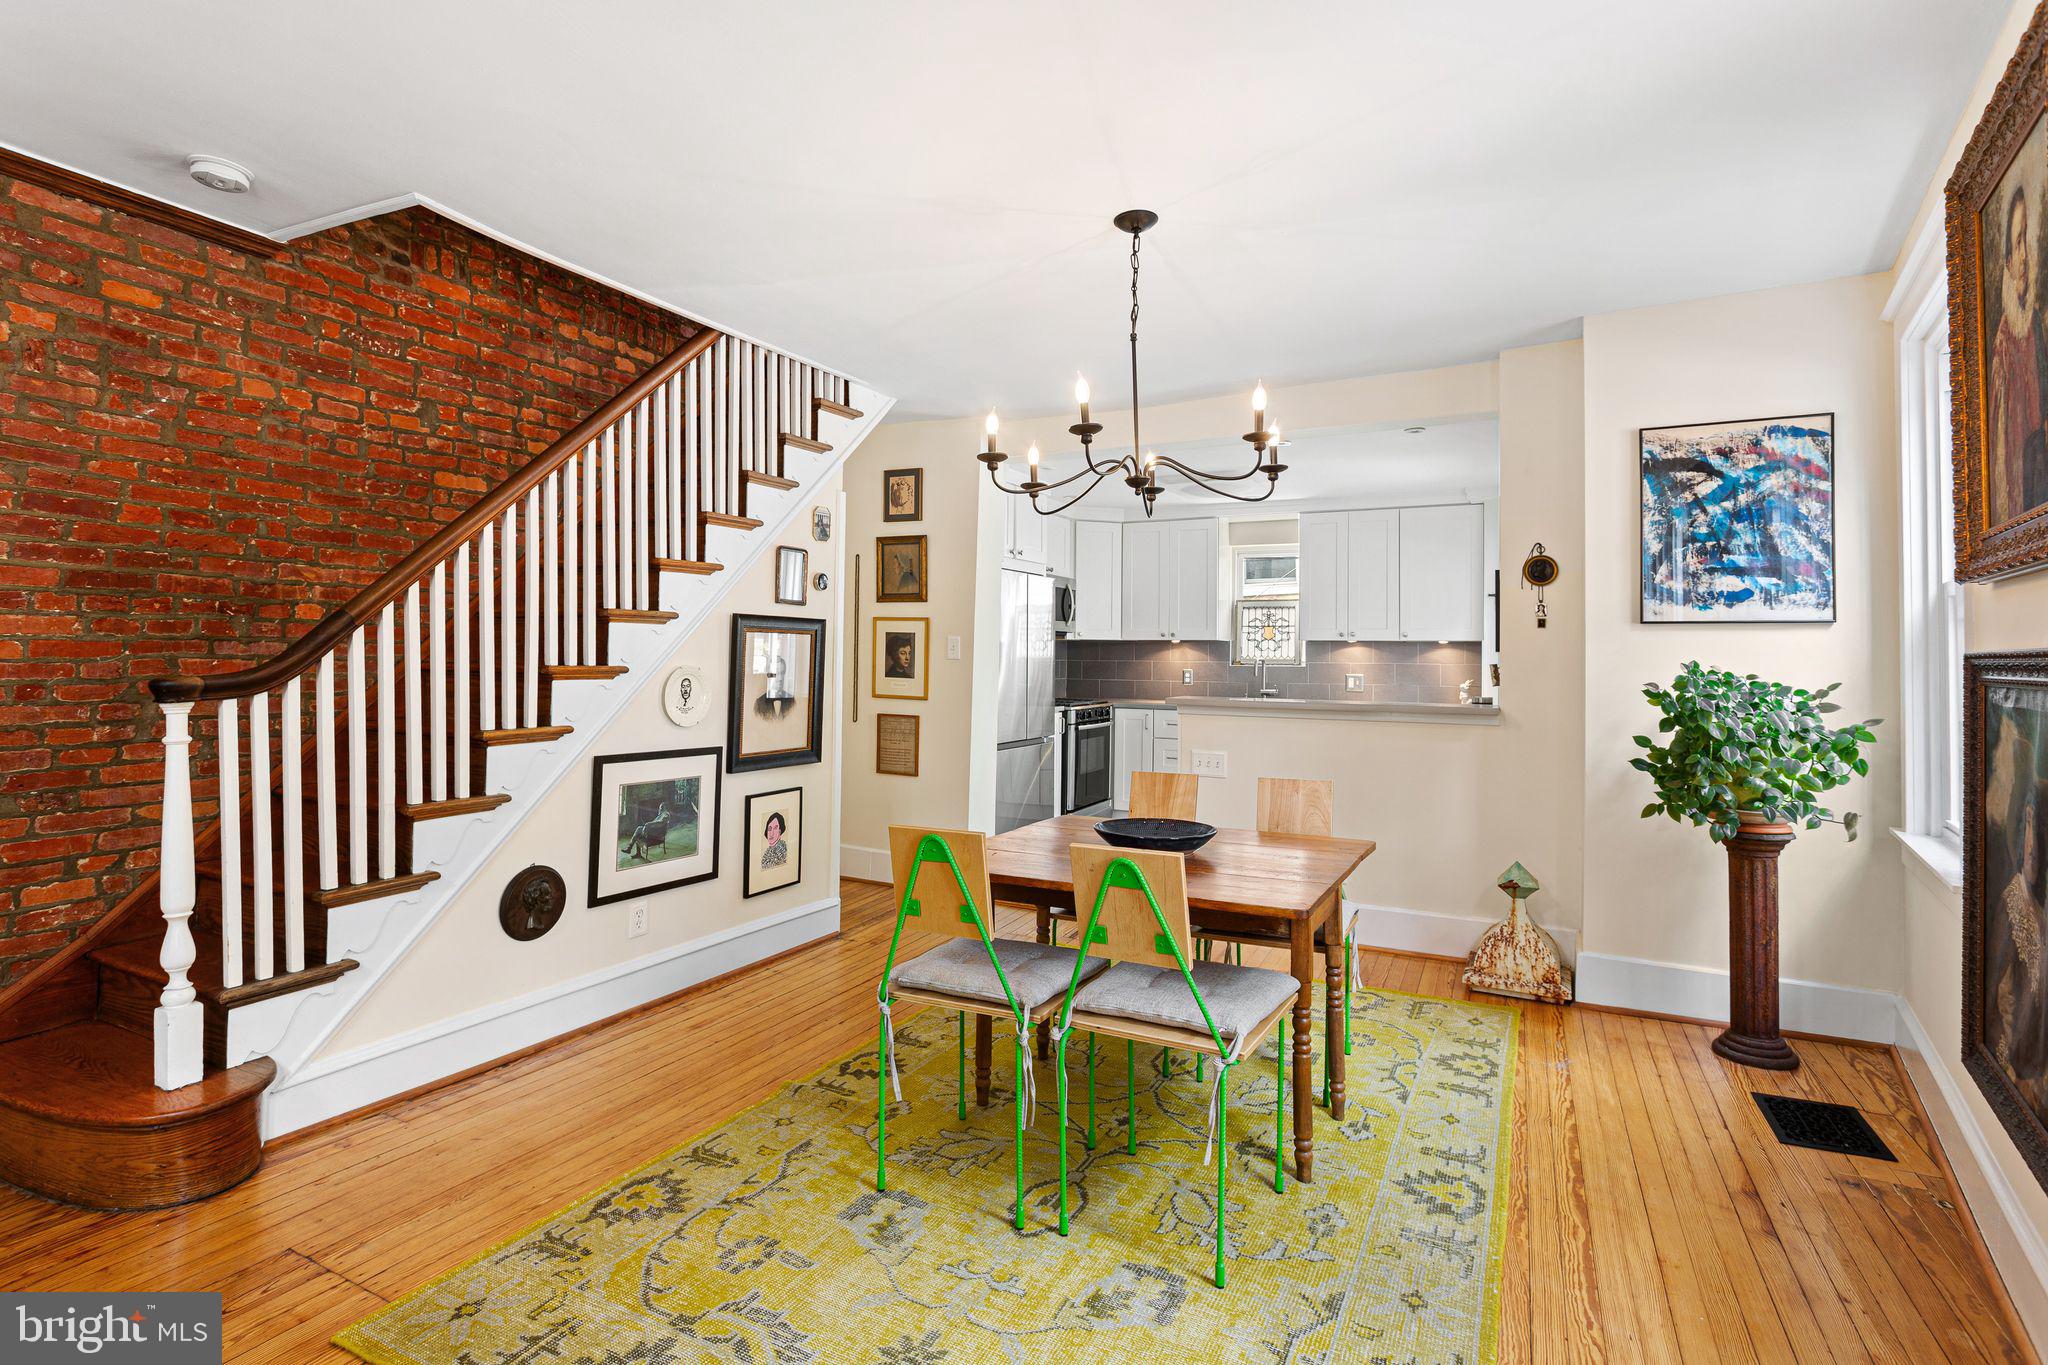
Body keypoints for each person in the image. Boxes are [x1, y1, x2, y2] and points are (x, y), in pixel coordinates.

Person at [1989, 182, 2048, 524]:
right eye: (2017, 243)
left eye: (2026, 237)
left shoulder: (2036, 323)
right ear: (2008, 262)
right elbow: (2002, 451)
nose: (2024, 254)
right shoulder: (2002, 344)